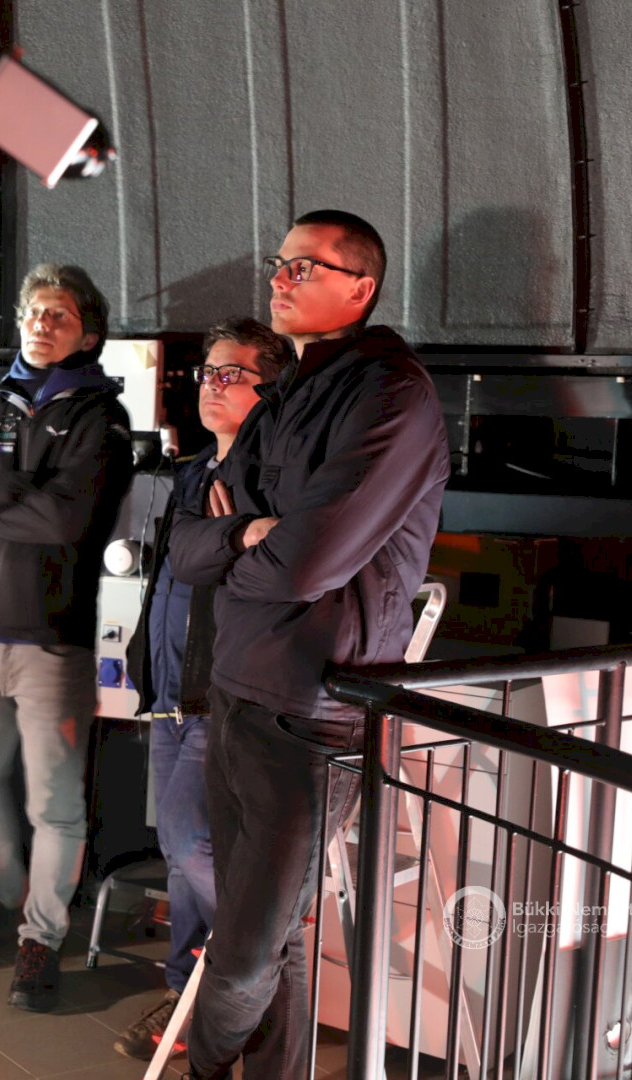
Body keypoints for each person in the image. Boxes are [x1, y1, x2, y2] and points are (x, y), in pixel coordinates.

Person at [168, 210, 451, 1080]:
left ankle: (200, 1071)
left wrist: (249, 541)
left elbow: (304, 565)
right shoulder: (288, 392)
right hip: (236, 690)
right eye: (280, 263)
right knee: (274, 936)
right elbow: (186, 548)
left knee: (245, 955)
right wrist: (248, 535)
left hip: (311, 711)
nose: (279, 278)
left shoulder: (392, 395)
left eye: (304, 266)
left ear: (361, 288)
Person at [0, 263, 134, 1012]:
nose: (42, 324)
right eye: (35, 312)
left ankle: (39, 941)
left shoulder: (102, 418)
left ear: (89, 334)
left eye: (60, 315)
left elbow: (66, 522)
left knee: (56, 809)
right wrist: (18, 488)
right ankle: (12, 893)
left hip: (54, 644)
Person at [112, 318, 292, 1060]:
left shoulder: (273, 476)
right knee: (179, 854)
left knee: (190, 839)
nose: (210, 386)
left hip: (223, 693)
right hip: (168, 691)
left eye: (230, 374)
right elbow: (182, 565)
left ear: (271, 389)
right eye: (206, 373)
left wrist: (232, 537)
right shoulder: (192, 475)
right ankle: (189, 992)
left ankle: (264, 956)